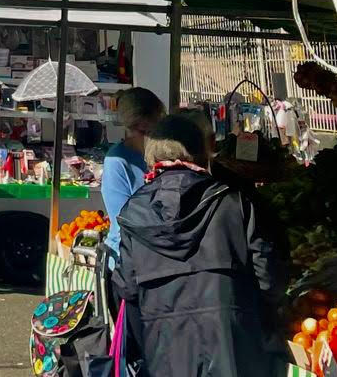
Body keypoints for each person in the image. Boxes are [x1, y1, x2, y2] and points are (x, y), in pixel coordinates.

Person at [114, 114, 287, 376]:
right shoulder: (235, 203)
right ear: (201, 153)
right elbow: (269, 280)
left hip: (166, 354)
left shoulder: (133, 213)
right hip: (234, 348)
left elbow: (126, 289)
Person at [103, 87, 165, 264]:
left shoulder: (164, 154)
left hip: (158, 255)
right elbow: (123, 221)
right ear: (141, 125)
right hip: (127, 259)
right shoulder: (117, 160)